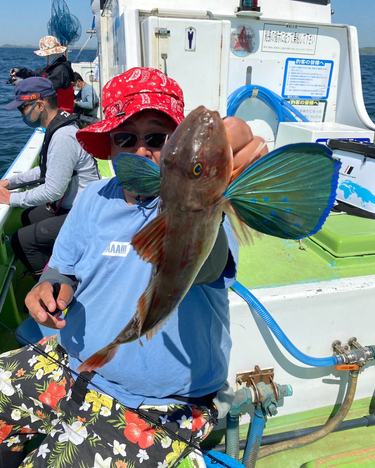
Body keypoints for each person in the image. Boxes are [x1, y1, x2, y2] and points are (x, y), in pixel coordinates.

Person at [0, 68, 267, 468]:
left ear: (178, 147)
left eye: (157, 139)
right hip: (68, 363)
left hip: (157, 404)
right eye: (126, 138)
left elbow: (208, 265)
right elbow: (63, 265)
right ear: (110, 145)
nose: (141, 151)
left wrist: (217, 183)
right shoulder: (94, 198)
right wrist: (52, 285)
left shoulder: (203, 208)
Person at [0, 77, 100, 278]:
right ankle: (56, 259)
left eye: (22, 109)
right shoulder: (57, 126)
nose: (22, 115)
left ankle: (53, 284)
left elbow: (53, 190)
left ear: (39, 105)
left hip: (83, 213)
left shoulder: (63, 136)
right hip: (71, 205)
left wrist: (11, 198)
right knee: (27, 216)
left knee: (21, 240)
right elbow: (45, 170)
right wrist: (10, 182)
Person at [10, 36, 75, 113]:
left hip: (62, 113)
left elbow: (45, 87)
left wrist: (22, 84)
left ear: (49, 55)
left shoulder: (61, 70)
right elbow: (35, 75)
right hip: (54, 112)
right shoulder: (53, 68)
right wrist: (20, 71)